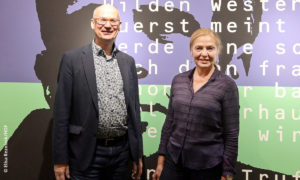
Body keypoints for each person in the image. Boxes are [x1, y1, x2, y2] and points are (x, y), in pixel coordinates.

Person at [52, 4, 143, 180]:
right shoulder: (72, 60)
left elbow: (134, 113)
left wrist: (136, 153)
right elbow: (61, 113)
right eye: (102, 20)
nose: (108, 25)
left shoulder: (128, 62)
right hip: (86, 153)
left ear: (120, 25)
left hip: (122, 154)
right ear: (93, 23)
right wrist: (60, 160)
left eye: (113, 21)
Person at [152, 28, 240, 180]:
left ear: (217, 51)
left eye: (210, 48)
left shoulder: (227, 86)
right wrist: (161, 162)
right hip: (173, 164)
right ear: (191, 51)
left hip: (207, 167)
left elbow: (231, 134)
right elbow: (169, 123)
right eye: (199, 48)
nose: (204, 54)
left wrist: (227, 173)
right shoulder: (178, 80)